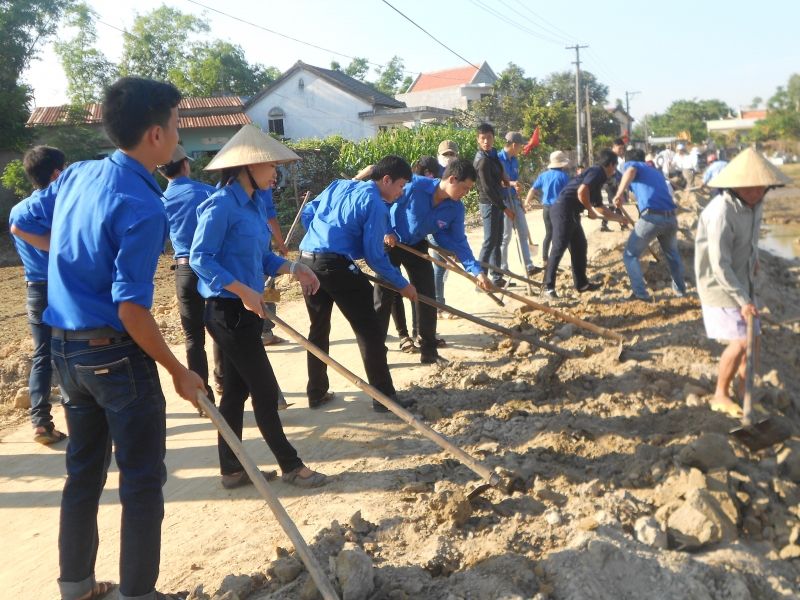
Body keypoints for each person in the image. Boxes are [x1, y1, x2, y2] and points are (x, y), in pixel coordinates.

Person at [10, 77, 204, 600]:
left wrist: (64, 253)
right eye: (177, 122)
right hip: (116, 356)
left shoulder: (76, 175)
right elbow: (131, 309)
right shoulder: (143, 205)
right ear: (157, 134)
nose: (180, 131)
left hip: (65, 350)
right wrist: (178, 371)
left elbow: (20, 217)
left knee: (83, 475)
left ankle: (75, 587)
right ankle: (137, 594)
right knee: (141, 482)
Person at [190, 124, 327, 490]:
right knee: (266, 391)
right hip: (227, 311)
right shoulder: (219, 207)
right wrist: (243, 291)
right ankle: (292, 465)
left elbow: (261, 257)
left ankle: (232, 469)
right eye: (270, 166)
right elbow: (200, 259)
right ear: (246, 167)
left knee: (235, 393)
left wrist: (295, 268)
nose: (275, 173)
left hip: (246, 311)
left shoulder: (252, 207)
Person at [299, 156, 417, 412]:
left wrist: (319, 240)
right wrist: (402, 284)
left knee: (318, 328)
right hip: (334, 265)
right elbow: (375, 257)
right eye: (400, 186)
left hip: (306, 261)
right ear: (386, 180)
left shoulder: (338, 184)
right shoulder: (374, 202)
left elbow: (308, 213)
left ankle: (316, 392)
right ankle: (384, 398)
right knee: (370, 329)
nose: (400, 193)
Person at [695, 148, 790, 418]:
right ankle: (720, 395)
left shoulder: (754, 205)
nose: (756, 194)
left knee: (754, 341)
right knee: (739, 343)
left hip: (744, 281)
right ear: (735, 186)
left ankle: (746, 395)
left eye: (760, 188)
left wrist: (755, 258)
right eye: (749, 189)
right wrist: (743, 300)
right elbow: (719, 265)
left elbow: (751, 241)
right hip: (720, 286)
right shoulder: (721, 212)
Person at [375, 158, 492, 365]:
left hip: (417, 245)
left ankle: (428, 350)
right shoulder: (415, 186)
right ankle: (377, 352)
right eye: (464, 188)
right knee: (384, 296)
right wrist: (387, 231)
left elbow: (459, 242)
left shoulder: (455, 209)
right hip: (391, 243)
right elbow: (385, 202)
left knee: (427, 295)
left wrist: (476, 271)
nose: (465, 193)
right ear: (452, 179)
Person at [8, 146, 68, 445]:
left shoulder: (17, 211)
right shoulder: (65, 201)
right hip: (65, 287)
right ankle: (80, 414)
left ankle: (41, 422)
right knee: (70, 351)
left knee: (42, 355)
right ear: (57, 173)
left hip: (35, 289)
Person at [159, 144, 217, 410]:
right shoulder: (207, 192)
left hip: (183, 270)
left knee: (193, 336)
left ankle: (203, 399)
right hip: (211, 268)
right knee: (219, 329)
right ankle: (224, 380)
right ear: (185, 164)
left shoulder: (160, 202)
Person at [542, 149, 629, 299]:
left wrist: (619, 218)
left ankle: (582, 284)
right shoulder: (597, 172)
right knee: (559, 247)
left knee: (580, 246)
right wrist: (590, 210)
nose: (614, 171)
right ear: (610, 165)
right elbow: (582, 192)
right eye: (614, 167)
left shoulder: (599, 177)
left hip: (572, 212)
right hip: (563, 209)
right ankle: (547, 287)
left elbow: (600, 207)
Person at [612, 149, 687, 301]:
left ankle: (640, 294)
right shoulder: (654, 171)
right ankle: (681, 292)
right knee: (672, 255)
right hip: (671, 217)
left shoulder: (633, 165)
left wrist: (619, 194)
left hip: (653, 217)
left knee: (630, 255)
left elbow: (631, 170)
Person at [474, 122, 515, 287]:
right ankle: (481, 278)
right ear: (478, 140)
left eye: (489, 138)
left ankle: (497, 277)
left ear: (493, 138)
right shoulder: (481, 160)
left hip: (498, 201)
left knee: (497, 240)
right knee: (489, 241)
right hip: (489, 203)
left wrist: (506, 180)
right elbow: (488, 189)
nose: (486, 141)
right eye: (483, 138)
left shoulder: (492, 155)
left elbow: (499, 170)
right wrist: (505, 209)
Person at [498, 131, 539, 277]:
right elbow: (495, 183)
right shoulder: (497, 160)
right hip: (503, 201)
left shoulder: (515, 160)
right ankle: (503, 268)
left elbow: (515, 183)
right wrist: (509, 184)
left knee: (523, 231)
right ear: (514, 145)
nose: (522, 148)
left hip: (514, 199)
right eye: (521, 146)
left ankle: (528, 266)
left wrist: (520, 200)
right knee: (506, 236)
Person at [526, 150, 570, 268]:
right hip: (559, 209)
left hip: (546, 209)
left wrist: (526, 202)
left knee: (549, 234)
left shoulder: (543, 176)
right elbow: (569, 194)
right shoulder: (564, 177)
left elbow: (532, 190)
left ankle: (545, 260)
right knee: (565, 233)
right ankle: (575, 259)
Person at [600, 138, 628, 232]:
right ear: (614, 147)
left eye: (622, 148)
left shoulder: (619, 159)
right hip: (610, 183)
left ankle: (605, 224)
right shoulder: (609, 157)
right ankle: (622, 224)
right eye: (619, 148)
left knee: (614, 205)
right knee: (616, 203)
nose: (621, 151)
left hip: (616, 183)